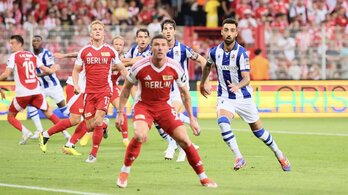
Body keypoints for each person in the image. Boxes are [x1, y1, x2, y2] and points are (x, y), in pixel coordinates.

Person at [115, 34, 217, 188]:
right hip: (144, 106)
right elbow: (126, 90)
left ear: (168, 48)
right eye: (156, 45)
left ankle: (203, 177)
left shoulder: (175, 66)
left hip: (164, 107)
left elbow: (185, 94)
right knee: (140, 135)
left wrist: (192, 119)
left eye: (163, 45)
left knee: (185, 140)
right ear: (151, 48)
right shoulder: (140, 66)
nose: (160, 48)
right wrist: (120, 113)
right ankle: (124, 171)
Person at [199, 18, 291, 171]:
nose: (229, 33)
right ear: (221, 32)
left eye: (232, 30)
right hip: (225, 97)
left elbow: (247, 78)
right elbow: (207, 66)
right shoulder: (215, 52)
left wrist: (238, 86)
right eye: (226, 30)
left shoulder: (241, 53)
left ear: (236, 33)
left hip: (244, 98)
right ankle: (238, 157)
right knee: (222, 122)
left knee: (259, 132)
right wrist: (203, 82)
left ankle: (279, 153)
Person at [72, 20, 126, 163]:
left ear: (103, 33)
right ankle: (105, 124)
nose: (97, 31)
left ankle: (93, 154)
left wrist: (130, 79)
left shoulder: (110, 50)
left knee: (97, 121)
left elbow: (122, 68)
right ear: (90, 33)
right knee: (90, 126)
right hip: (89, 93)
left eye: (100, 29)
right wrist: (76, 85)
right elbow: (76, 70)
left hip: (105, 91)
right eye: (94, 29)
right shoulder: (84, 51)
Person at [160, 19, 207, 162]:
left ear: (174, 31)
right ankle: (186, 146)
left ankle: (172, 146)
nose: (168, 31)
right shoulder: (157, 49)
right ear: (162, 32)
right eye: (165, 28)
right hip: (163, 90)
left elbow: (203, 61)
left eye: (170, 28)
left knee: (171, 115)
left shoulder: (183, 49)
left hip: (179, 90)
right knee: (163, 120)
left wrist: (206, 81)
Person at [0, 35, 60, 145]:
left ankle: (25, 132)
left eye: (12, 43)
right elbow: (47, 70)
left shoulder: (14, 56)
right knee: (49, 113)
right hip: (36, 92)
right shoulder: (32, 55)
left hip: (23, 93)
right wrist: (54, 68)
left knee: (10, 116)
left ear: (19, 44)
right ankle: (67, 133)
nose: (10, 45)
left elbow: (6, 75)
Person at [28, 35, 71, 140]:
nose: (36, 42)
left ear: (41, 42)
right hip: (40, 88)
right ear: (32, 43)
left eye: (38, 40)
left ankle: (84, 122)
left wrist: (35, 76)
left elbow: (50, 70)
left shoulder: (47, 54)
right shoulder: (30, 56)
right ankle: (39, 130)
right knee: (32, 106)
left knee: (65, 111)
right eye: (34, 40)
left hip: (53, 86)